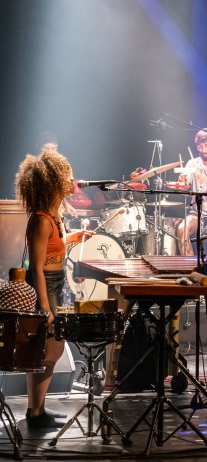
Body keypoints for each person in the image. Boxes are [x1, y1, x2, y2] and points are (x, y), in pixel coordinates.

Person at [15, 151, 94, 428]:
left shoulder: (54, 217)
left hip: (55, 282)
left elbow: (54, 248)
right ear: (53, 181)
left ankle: (36, 410)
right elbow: (36, 266)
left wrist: (75, 237)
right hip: (44, 286)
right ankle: (35, 412)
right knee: (49, 348)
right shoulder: (40, 219)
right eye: (66, 175)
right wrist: (44, 307)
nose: (72, 179)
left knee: (48, 351)